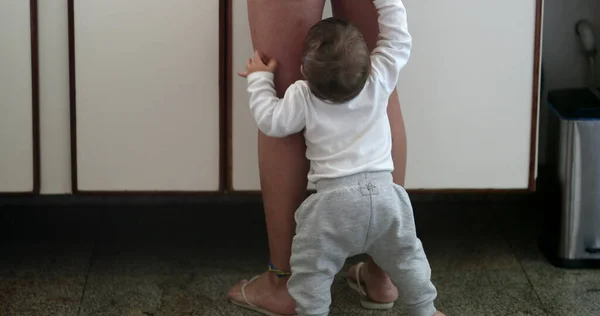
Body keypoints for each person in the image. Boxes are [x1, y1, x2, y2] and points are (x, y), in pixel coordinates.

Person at [231, 1, 444, 315]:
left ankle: (285, 288)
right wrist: (388, 2)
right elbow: (398, 39)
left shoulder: (302, 93)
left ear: (307, 72)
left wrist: (259, 79)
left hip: (329, 209)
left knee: (312, 271)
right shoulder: (379, 77)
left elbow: (272, 120)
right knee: (408, 256)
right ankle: (387, 282)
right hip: (387, 200)